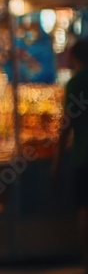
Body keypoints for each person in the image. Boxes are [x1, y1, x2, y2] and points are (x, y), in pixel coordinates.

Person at [56, 39, 88, 271]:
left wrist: (56, 162)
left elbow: (66, 126)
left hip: (82, 157)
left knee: (84, 211)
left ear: (76, 58)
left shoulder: (75, 84)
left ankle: (86, 260)